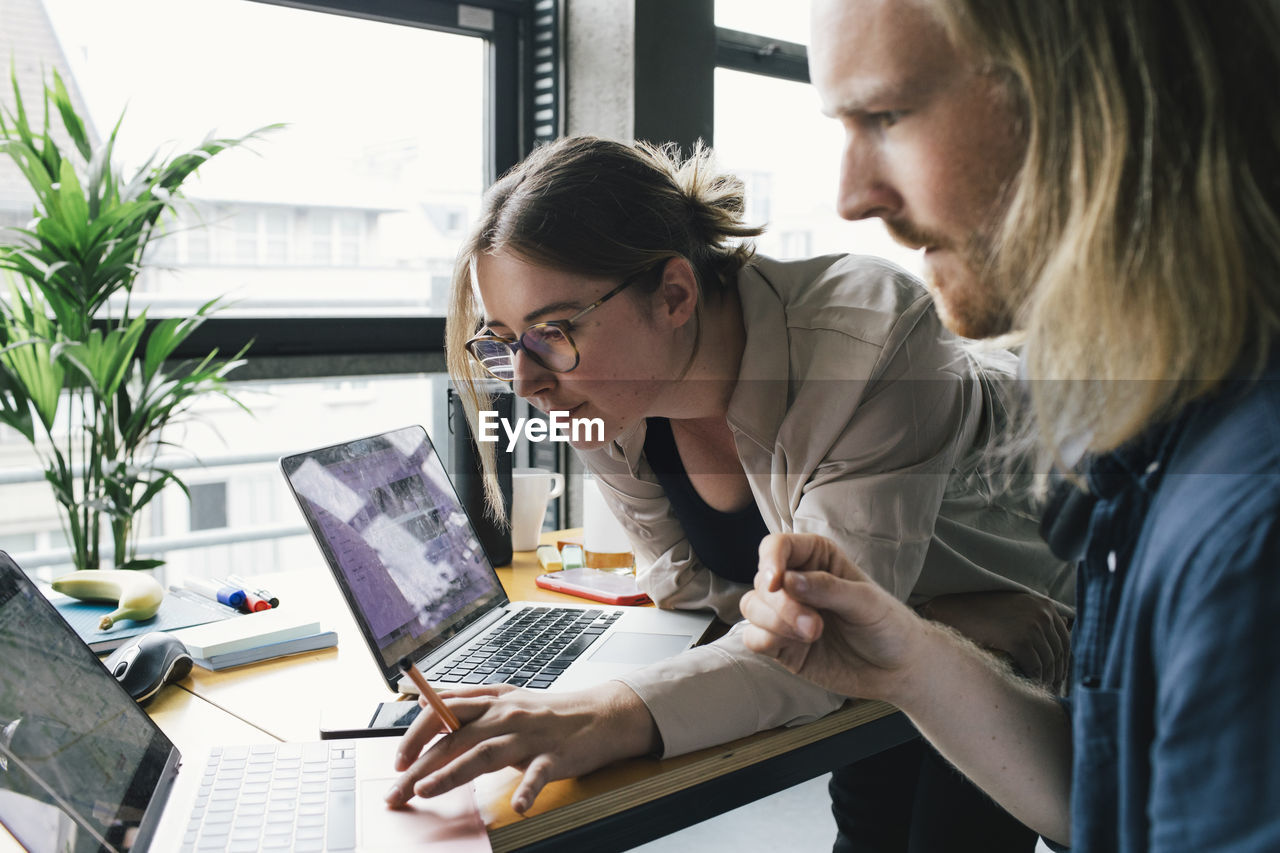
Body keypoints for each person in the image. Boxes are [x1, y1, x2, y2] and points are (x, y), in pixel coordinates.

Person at [385, 133, 1074, 850]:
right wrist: (939, 621)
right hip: (926, 640)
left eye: (551, 331)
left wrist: (603, 715)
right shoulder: (604, 401)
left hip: (1042, 637)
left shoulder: (868, 335)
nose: (524, 380)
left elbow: (832, 635)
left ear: (675, 293)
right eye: (500, 342)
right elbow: (700, 601)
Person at [740, 0, 1280, 849]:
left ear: (1099, 98)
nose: (851, 196)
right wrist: (909, 658)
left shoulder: (1247, 531)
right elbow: (1116, 805)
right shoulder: (1167, 431)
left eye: (885, 115)